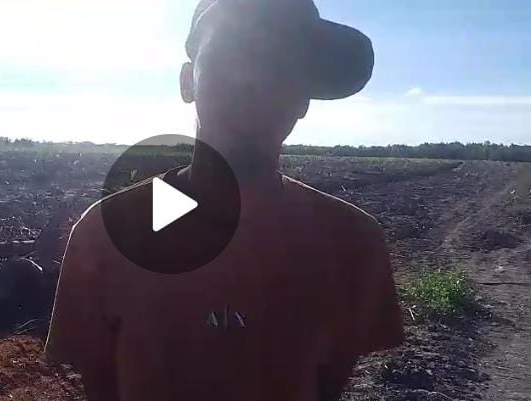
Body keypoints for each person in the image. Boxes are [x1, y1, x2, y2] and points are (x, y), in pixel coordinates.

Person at [44, 0, 404, 400]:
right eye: (232, 52)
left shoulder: (352, 242)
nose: (253, 78)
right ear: (188, 82)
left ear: (303, 98)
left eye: (280, 63)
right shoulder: (108, 233)